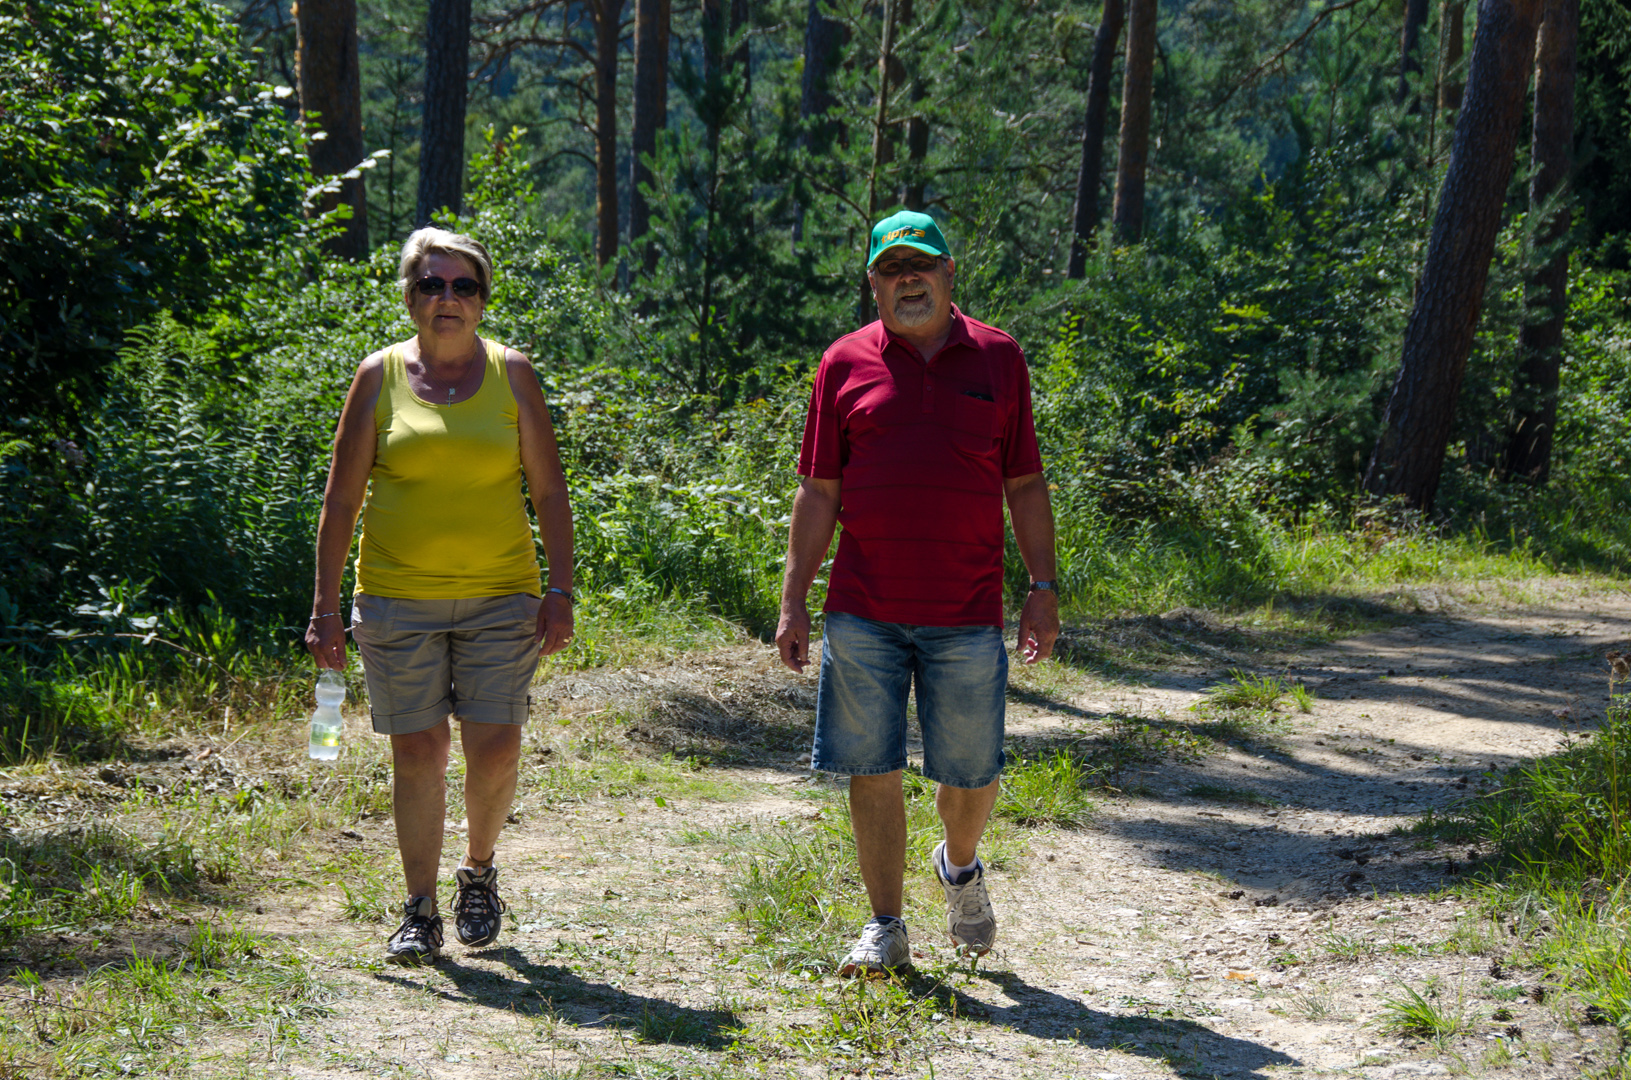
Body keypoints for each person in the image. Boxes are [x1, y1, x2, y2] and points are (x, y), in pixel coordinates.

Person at [775, 210, 1060, 977]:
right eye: (892, 268)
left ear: (947, 273)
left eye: (921, 265)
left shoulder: (998, 358)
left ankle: (958, 864)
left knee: (970, 773)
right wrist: (793, 598)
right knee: (870, 766)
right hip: (862, 607)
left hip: (965, 610)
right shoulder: (842, 362)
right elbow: (818, 490)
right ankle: (884, 926)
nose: (908, 279)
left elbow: (1024, 482)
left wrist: (1041, 587)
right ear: (872, 282)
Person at [305, 227, 575, 965]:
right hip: (397, 599)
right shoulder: (378, 376)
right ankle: (419, 909)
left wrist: (560, 589)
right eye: (431, 284)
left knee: (496, 746)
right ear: (409, 297)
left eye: (462, 285)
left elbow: (550, 492)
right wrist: (325, 607)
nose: (446, 298)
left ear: (482, 300)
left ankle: (478, 872)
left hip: (503, 596)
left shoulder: (512, 374)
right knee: (418, 750)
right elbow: (340, 500)